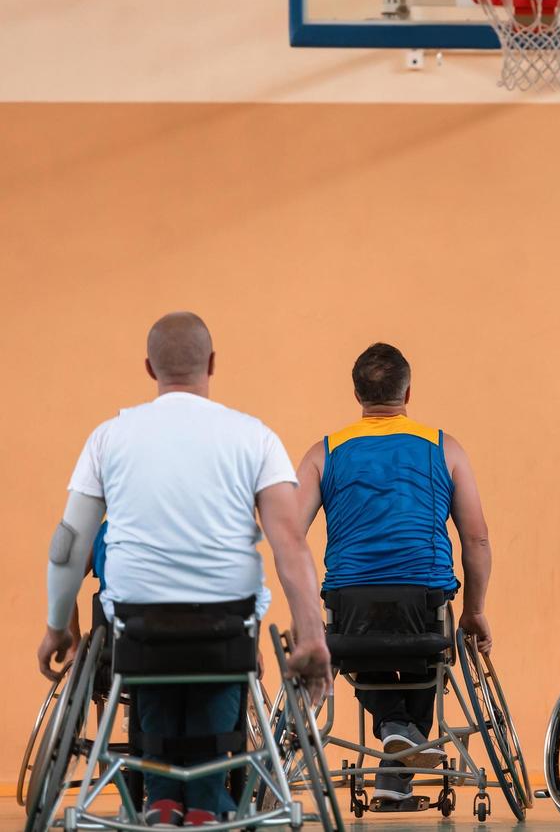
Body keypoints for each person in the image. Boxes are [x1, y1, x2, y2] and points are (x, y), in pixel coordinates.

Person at [38, 312, 330, 827]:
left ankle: (162, 798)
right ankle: (207, 802)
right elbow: (290, 544)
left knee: (148, 640)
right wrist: (311, 636)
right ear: (212, 363)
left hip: (138, 629)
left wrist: (57, 625)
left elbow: (67, 546)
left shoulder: (108, 437)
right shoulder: (254, 437)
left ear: (149, 367)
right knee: (214, 645)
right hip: (226, 629)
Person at [294, 342, 492, 805]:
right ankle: (401, 740)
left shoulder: (324, 452)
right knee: (433, 655)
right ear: (408, 392)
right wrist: (475, 611)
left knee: (361, 654)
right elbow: (477, 540)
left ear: (356, 394)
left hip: (350, 603)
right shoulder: (445, 448)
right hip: (424, 600)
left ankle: (392, 734)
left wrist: (305, 607)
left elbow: (290, 535)